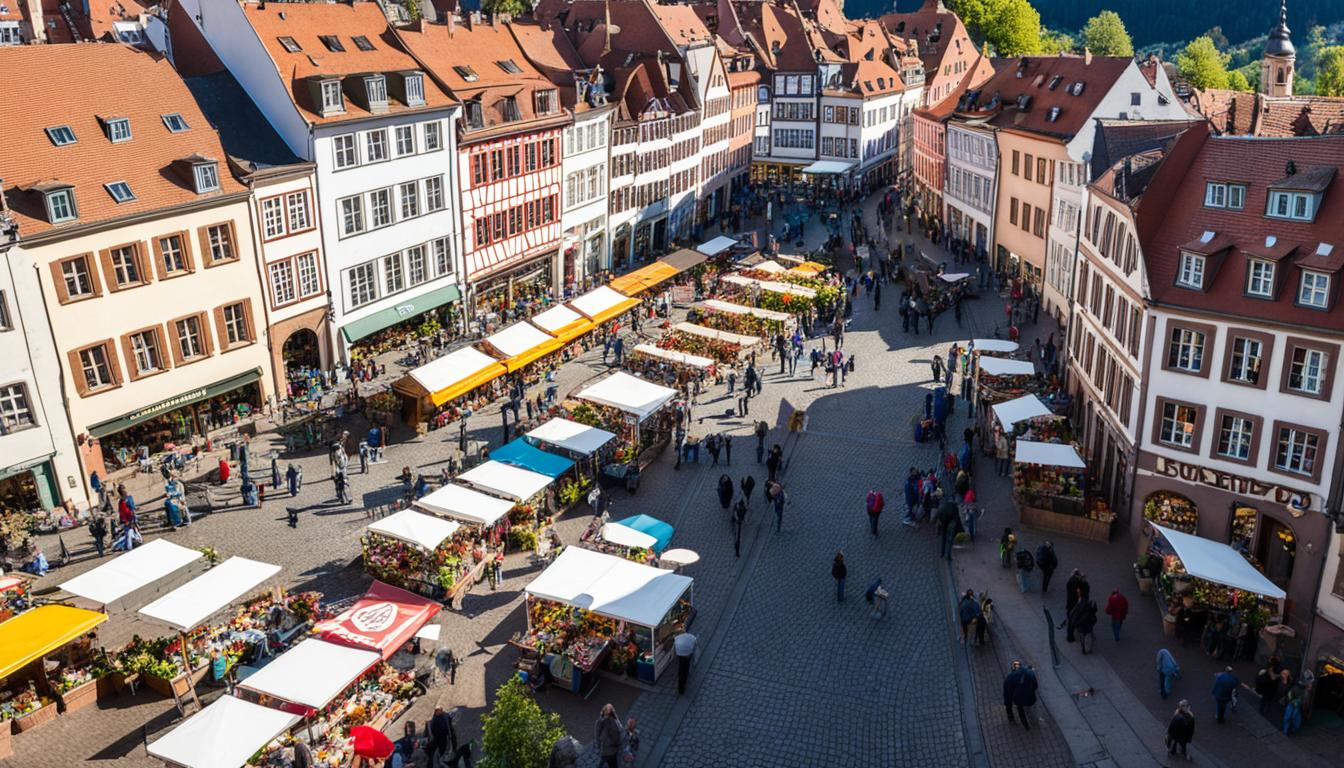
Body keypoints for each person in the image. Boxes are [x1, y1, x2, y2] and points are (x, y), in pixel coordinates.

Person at [1003, 661, 1038, 729]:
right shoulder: (1029, 672)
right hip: (1031, 698)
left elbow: (1007, 695)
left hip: (1019, 700)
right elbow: (1035, 686)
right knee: (1032, 711)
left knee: (1021, 711)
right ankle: (1035, 722)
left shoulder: (1009, 678)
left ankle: (1026, 725)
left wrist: (1009, 713)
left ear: (1012, 669)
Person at [595, 704, 623, 768]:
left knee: (602, 762)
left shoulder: (598, 722)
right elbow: (621, 730)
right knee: (613, 765)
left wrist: (599, 747)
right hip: (613, 750)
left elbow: (597, 737)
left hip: (604, 751)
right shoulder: (615, 721)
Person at [673, 625, 697, 694]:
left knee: (681, 668)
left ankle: (680, 686)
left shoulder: (676, 638)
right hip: (688, 655)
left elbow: (674, 650)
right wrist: (695, 661)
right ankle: (683, 684)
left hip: (680, 655)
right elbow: (695, 648)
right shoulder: (691, 636)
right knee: (686, 669)